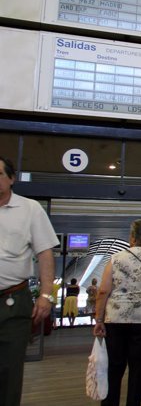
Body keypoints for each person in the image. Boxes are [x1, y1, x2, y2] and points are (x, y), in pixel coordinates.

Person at [93, 219, 141, 406]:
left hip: (115, 320)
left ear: (132, 237)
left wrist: (99, 319)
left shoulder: (116, 258)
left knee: (114, 366)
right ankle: (133, 402)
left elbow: (103, 290)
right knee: (139, 369)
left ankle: (109, 403)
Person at [0, 156, 58, 406]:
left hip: (13, 301)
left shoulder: (30, 208)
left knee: (9, 371)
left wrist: (46, 295)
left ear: (12, 178)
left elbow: (45, 252)